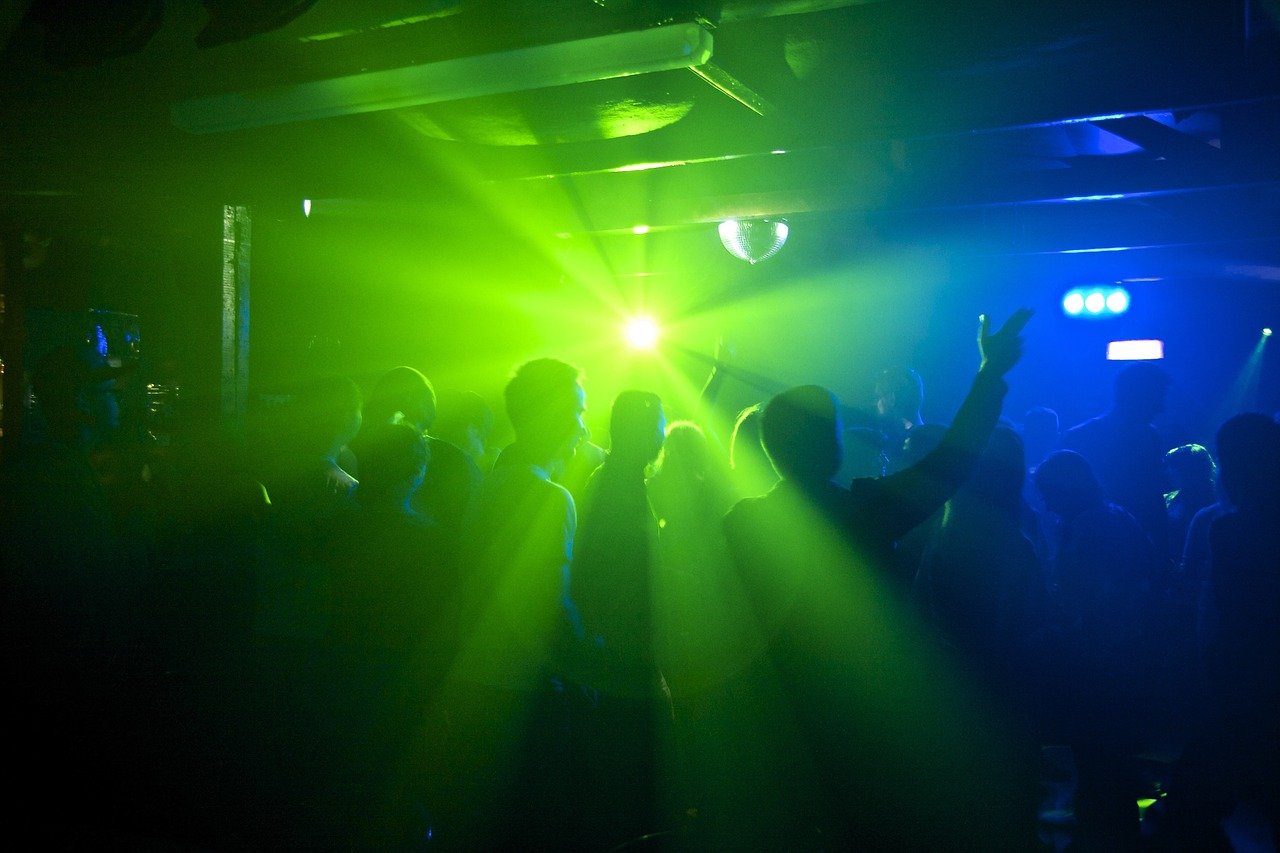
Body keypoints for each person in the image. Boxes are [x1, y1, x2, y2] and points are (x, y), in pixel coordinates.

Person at [719, 309, 1035, 849]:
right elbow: (951, 466)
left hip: (779, 729)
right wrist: (990, 374)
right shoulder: (863, 514)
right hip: (873, 719)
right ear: (831, 444)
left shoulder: (739, 525)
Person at [433, 357, 588, 847]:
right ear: (557, 417)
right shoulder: (548, 496)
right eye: (578, 411)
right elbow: (551, 605)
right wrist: (594, 662)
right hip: (521, 688)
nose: (583, 424)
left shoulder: (488, 482)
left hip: (474, 678)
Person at [1062, 361, 1171, 560]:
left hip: (1093, 551)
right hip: (1111, 552)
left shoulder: (1079, 437)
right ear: (1140, 396)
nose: (1161, 408)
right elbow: (1153, 501)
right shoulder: (1149, 438)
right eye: (1158, 397)